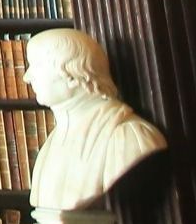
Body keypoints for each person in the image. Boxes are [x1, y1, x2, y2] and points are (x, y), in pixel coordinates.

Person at [25, 29, 167, 214]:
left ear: (72, 73)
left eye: (37, 65)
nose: (27, 77)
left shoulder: (129, 137)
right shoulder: (51, 145)